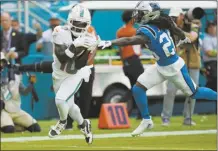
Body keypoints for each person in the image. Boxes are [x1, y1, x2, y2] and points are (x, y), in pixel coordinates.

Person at [98, 1, 217, 136]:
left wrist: (110, 42)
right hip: (161, 66)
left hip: (174, 68)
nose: (138, 15)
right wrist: (183, 37)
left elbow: (129, 41)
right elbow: (176, 30)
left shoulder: (149, 30)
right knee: (138, 88)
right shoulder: (163, 22)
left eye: (141, 13)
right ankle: (146, 120)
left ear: (150, 14)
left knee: (195, 93)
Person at [48, 4, 98, 144]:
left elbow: (80, 64)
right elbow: (61, 57)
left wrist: (86, 48)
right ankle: (84, 125)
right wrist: (75, 45)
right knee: (70, 106)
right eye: (77, 22)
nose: (80, 26)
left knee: (60, 99)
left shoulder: (89, 35)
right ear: (70, 21)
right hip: (59, 73)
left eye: (83, 23)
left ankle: (62, 122)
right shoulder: (59, 31)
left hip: (76, 73)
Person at [161, 8, 202, 126]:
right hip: (176, 64)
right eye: (171, 18)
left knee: (193, 91)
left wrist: (178, 30)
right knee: (170, 90)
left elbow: (193, 37)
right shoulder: (169, 29)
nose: (173, 20)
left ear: (182, 16)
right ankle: (166, 118)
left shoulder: (193, 25)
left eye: (175, 17)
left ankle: (188, 118)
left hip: (193, 62)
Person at [65, 25, 97, 130]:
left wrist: (86, 62)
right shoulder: (67, 29)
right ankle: (68, 122)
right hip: (72, 67)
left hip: (86, 66)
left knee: (85, 95)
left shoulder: (90, 29)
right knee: (69, 95)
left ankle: (82, 123)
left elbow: (94, 48)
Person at [0, 52, 41, 133]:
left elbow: (25, 92)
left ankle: (14, 124)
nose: (1, 64)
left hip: (16, 110)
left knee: (36, 128)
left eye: (2, 62)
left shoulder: (15, 77)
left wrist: (31, 84)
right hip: (4, 111)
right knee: (9, 130)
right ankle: (8, 125)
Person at [116, 10, 144, 118]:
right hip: (134, 60)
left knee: (134, 86)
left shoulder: (119, 32)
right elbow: (139, 46)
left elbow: (120, 50)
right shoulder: (134, 31)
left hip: (126, 63)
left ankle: (139, 114)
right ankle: (121, 101)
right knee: (140, 86)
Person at [202, 21, 217, 91]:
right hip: (211, 63)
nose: (212, 28)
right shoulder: (206, 38)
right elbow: (209, 53)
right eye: (209, 27)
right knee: (214, 79)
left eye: (213, 26)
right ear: (207, 29)